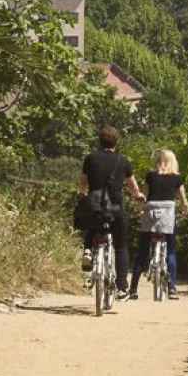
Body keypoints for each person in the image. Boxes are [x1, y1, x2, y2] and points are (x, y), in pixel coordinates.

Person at [79, 126, 144, 305]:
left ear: (99, 141)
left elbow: (83, 183)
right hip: (115, 207)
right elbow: (132, 186)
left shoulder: (90, 158)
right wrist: (138, 195)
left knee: (92, 224)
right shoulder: (123, 161)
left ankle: (87, 251)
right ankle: (122, 287)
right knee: (121, 246)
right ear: (117, 142)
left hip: (95, 205)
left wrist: (83, 193)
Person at [131, 148, 188, 300]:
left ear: (158, 161)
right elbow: (183, 200)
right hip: (168, 211)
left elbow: (144, 196)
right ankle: (172, 288)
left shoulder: (150, 176)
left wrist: (139, 210)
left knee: (143, 250)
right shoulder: (178, 178)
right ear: (173, 162)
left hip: (151, 209)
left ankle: (132, 289)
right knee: (170, 250)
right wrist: (186, 211)